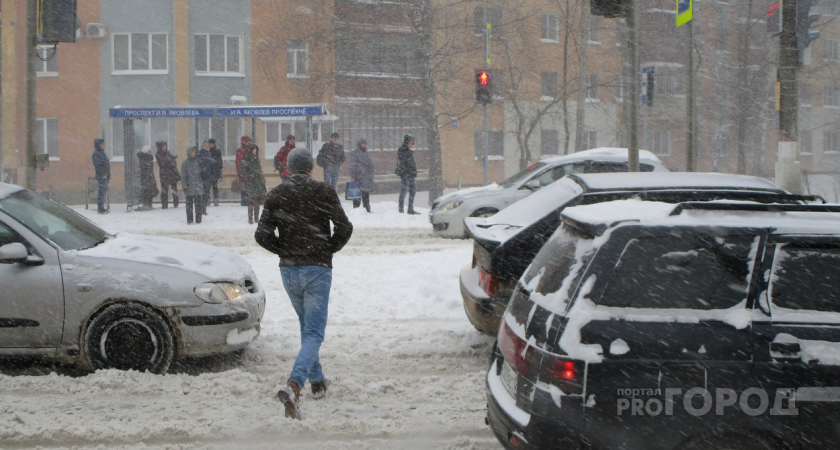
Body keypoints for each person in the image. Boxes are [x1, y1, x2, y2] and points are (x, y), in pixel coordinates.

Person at [255, 147, 353, 420]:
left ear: (288, 168)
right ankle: (295, 384)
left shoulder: (277, 194)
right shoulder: (324, 192)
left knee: (306, 326)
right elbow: (345, 228)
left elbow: (261, 234)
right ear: (311, 168)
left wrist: (284, 250)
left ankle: (318, 382)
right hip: (317, 269)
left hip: (289, 271)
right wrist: (326, 249)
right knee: (314, 333)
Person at [240, 142, 268, 224]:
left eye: (256, 149)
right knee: (251, 200)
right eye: (254, 149)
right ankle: (250, 218)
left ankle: (256, 217)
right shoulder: (246, 159)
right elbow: (242, 171)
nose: (255, 151)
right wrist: (250, 174)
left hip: (258, 182)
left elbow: (259, 170)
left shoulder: (256, 158)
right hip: (251, 182)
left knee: (257, 200)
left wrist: (262, 178)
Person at [394, 134, 419, 215]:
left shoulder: (410, 151)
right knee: (404, 191)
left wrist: (414, 171)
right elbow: (405, 162)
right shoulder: (402, 150)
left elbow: (412, 163)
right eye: (412, 142)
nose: (413, 144)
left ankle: (410, 208)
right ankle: (401, 209)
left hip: (411, 174)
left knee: (413, 190)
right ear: (407, 142)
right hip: (405, 174)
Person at [349, 137, 374, 212]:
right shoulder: (355, 153)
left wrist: (371, 174)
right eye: (363, 143)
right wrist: (353, 176)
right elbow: (353, 165)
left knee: (366, 194)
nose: (364, 145)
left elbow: (370, 164)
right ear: (359, 144)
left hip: (366, 177)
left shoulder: (366, 153)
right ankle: (356, 210)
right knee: (357, 194)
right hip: (358, 177)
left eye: (365, 143)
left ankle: (367, 208)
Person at [181, 146, 203, 224]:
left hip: (198, 187)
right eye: (192, 152)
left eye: (194, 152)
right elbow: (183, 176)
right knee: (189, 205)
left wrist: (201, 184)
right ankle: (190, 220)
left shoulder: (198, 162)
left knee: (198, 205)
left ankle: (198, 220)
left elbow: (202, 174)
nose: (193, 154)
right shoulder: (185, 164)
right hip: (189, 187)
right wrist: (184, 186)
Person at [156, 141, 180, 209]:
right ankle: (164, 205)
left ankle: (176, 203)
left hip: (171, 174)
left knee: (174, 189)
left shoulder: (168, 153)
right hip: (164, 174)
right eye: (163, 146)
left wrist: (171, 161)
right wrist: (171, 160)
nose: (165, 148)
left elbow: (173, 163)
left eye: (165, 146)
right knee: (164, 190)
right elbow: (162, 163)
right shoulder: (158, 154)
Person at [137, 145, 159, 211]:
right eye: (149, 151)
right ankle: (146, 204)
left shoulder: (149, 158)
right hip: (146, 177)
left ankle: (149, 204)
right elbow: (144, 168)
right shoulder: (143, 158)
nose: (150, 152)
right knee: (146, 191)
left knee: (151, 191)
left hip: (150, 177)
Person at [92, 138, 110, 214]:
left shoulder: (101, 153)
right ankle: (100, 207)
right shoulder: (97, 153)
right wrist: (102, 173)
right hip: (102, 175)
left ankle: (101, 206)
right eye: (102, 144)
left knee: (103, 190)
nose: (103, 145)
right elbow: (98, 165)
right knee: (101, 191)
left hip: (104, 174)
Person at [198, 140, 216, 215]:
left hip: (208, 176)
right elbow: (201, 163)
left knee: (206, 192)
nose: (206, 147)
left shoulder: (209, 154)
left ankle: (204, 207)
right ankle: (201, 208)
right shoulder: (200, 154)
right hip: (202, 176)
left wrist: (213, 174)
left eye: (207, 145)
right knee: (203, 193)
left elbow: (212, 165)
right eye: (205, 145)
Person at [236, 136, 252, 207]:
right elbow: (239, 162)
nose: (249, 143)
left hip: (247, 172)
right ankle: (245, 201)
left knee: (246, 187)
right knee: (244, 187)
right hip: (244, 172)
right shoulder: (241, 151)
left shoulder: (248, 150)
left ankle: (246, 200)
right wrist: (240, 172)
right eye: (248, 141)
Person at [209, 138, 224, 206]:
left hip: (215, 171)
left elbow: (220, 161)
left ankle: (215, 199)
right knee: (208, 186)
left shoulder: (217, 151)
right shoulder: (207, 151)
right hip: (208, 171)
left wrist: (219, 171)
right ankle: (208, 199)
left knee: (215, 186)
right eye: (210, 144)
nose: (211, 145)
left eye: (212, 144)